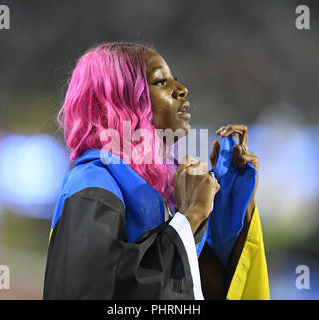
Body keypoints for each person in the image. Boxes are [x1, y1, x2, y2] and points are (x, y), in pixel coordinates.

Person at [43, 42, 269, 300]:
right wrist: (191, 216)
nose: (182, 90)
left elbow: (199, 289)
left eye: (175, 80)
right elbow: (93, 291)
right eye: (161, 82)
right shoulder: (92, 183)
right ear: (120, 99)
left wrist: (230, 200)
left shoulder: (164, 189)